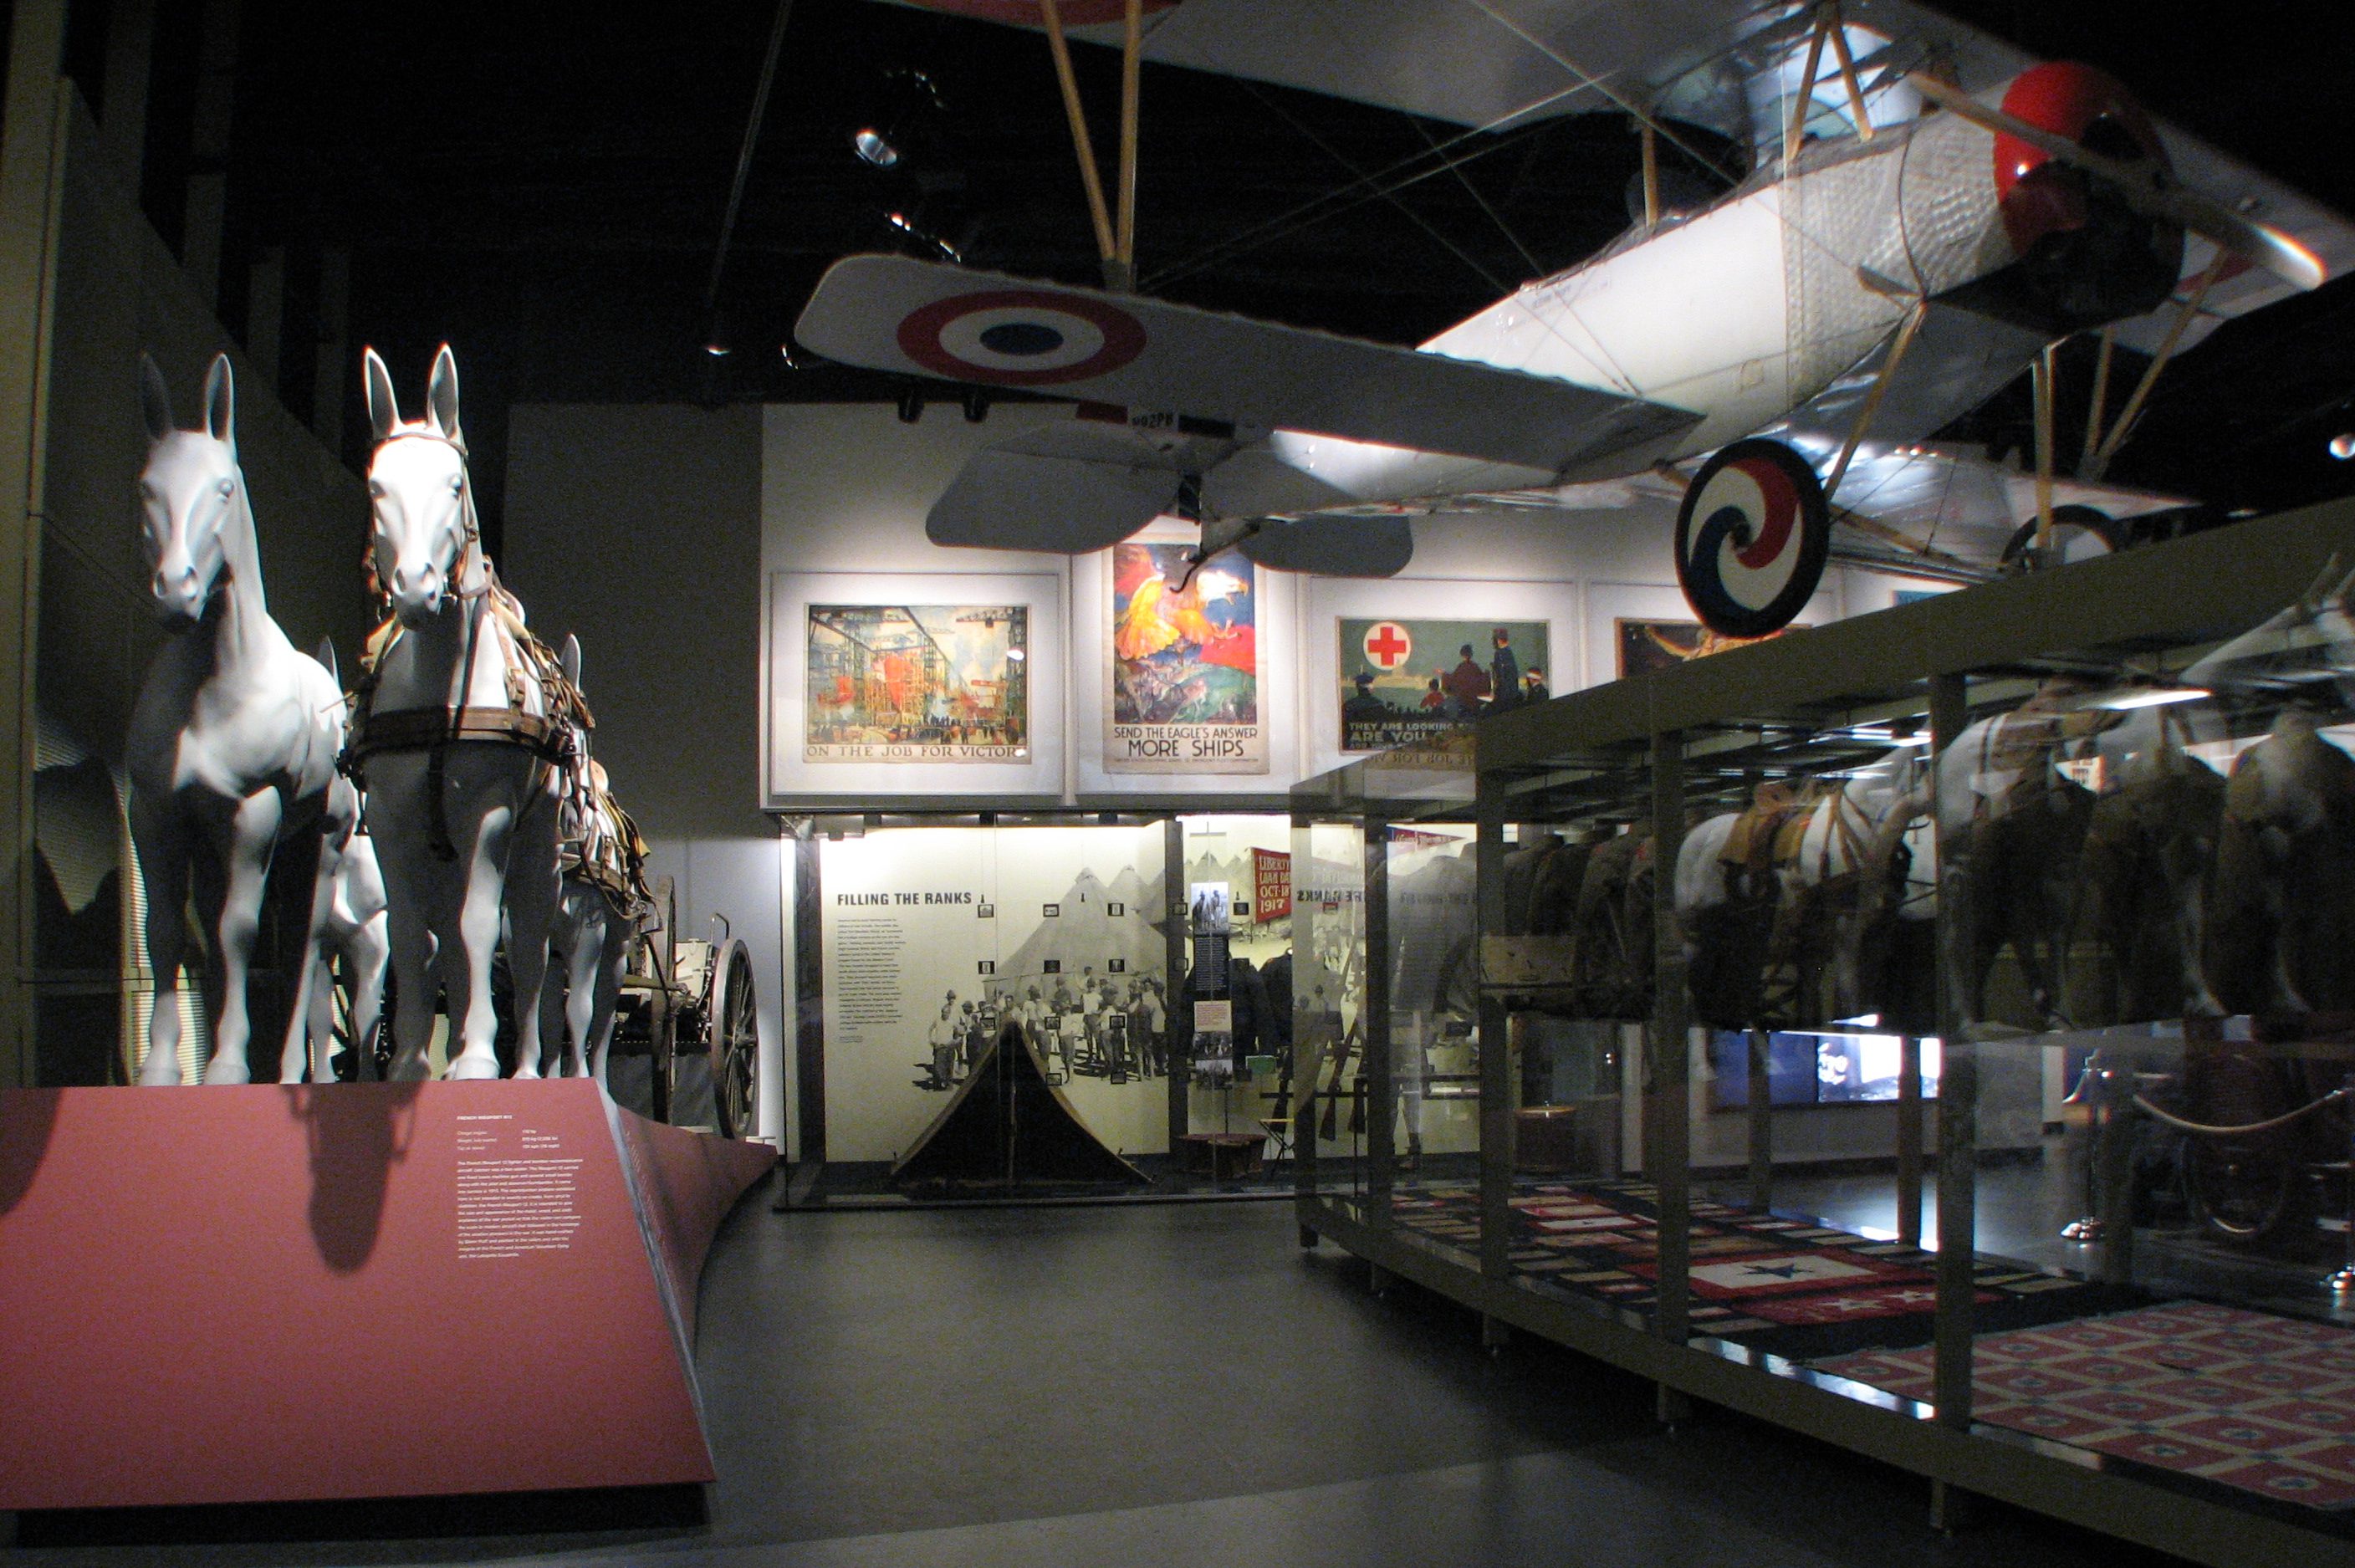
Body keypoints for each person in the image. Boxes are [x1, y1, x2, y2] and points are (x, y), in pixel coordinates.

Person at [1442, 643, 1489, 718]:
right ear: (1471, 654)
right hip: (1474, 700)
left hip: (1462, 700)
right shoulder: (1475, 667)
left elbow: (1452, 680)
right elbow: (1482, 682)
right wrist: (1487, 674)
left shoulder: (1461, 667)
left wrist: (1444, 675)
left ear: (1462, 654)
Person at [1487, 627, 1521, 715]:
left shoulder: (1500, 654)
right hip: (1511, 693)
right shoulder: (1509, 653)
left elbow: (1501, 676)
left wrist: (1495, 691)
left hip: (1503, 695)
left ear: (1498, 640)